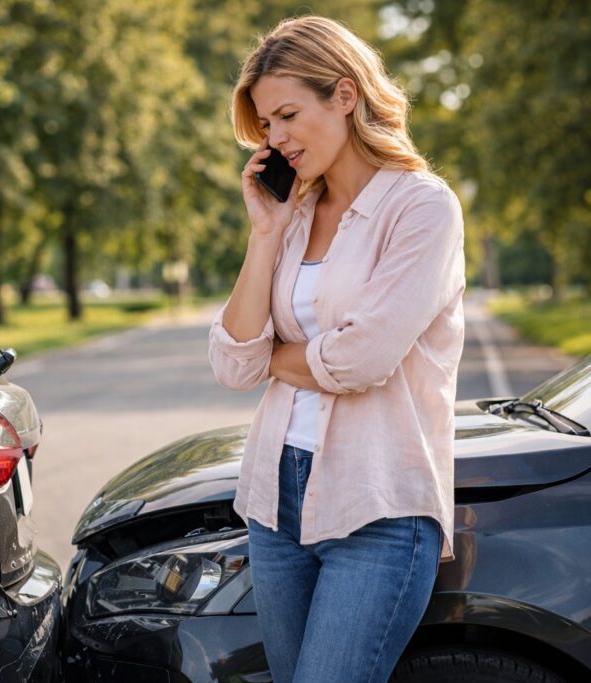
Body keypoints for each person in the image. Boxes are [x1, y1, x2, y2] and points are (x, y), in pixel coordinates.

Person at [208, 15, 465, 683]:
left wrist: (278, 358)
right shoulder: (292, 213)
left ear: (345, 96)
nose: (276, 138)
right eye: (266, 125)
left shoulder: (421, 208)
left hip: (379, 505)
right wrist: (265, 230)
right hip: (275, 501)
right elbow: (234, 361)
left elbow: (362, 360)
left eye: (288, 114)